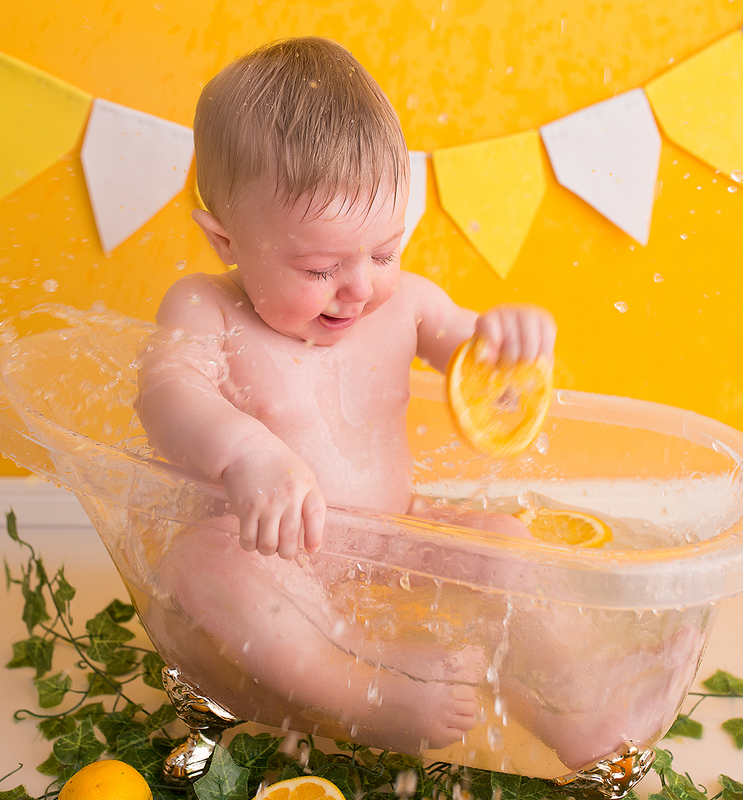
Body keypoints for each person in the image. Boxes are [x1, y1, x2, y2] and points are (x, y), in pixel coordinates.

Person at [135, 36, 559, 755]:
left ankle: (570, 706)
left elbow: (481, 364)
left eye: (385, 251)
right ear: (226, 240)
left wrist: (509, 341)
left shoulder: (408, 304)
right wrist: (245, 453)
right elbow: (165, 394)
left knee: (507, 545)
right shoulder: (204, 308)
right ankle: (364, 690)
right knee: (203, 564)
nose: (360, 287)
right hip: (271, 553)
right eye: (320, 268)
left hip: (399, 536)